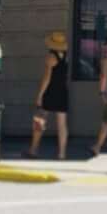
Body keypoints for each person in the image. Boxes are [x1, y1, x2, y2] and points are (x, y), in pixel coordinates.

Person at [28, 30, 71, 159]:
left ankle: (33, 150)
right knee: (62, 124)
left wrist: (39, 95)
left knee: (40, 120)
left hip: (51, 91)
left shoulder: (50, 57)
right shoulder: (65, 56)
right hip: (62, 90)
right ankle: (62, 154)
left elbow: (47, 78)